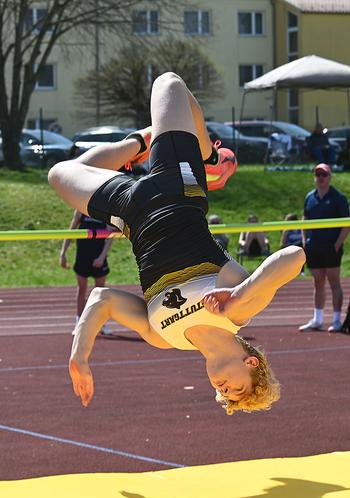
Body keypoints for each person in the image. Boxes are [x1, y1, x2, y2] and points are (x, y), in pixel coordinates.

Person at [48, 72, 305, 415]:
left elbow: (103, 299)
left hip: (131, 211)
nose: (227, 391)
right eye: (239, 389)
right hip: (178, 188)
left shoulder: (163, 338)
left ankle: (141, 142)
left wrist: (80, 354)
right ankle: (209, 158)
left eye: (227, 397)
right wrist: (239, 294)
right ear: (252, 363)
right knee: (168, 84)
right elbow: (294, 256)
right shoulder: (237, 311)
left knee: (60, 173)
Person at [299, 163, 349, 333]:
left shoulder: (338, 198)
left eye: (324, 175)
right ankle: (317, 319)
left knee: (334, 282)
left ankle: (336, 320)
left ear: (330, 177)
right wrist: (305, 241)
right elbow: (304, 220)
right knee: (317, 282)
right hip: (314, 246)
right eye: (318, 174)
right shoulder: (310, 197)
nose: (321, 178)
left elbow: (346, 225)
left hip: (330, 247)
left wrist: (337, 244)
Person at [60, 210, 115, 335]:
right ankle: (79, 323)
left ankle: (101, 324)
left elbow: (110, 236)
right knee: (82, 289)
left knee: (100, 293)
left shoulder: (103, 212)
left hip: (98, 257)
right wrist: (62, 253)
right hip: (82, 257)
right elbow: (70, 232)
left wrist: (102, 257)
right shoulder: (80, 211)